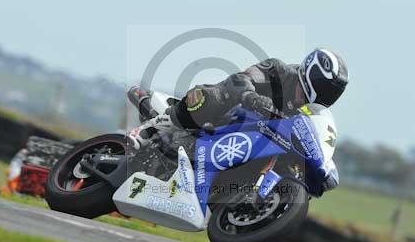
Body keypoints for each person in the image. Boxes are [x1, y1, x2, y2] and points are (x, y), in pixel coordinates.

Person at [127, 48, 349, 193]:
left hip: (257, 142)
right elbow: (243, 77)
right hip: (227, 116)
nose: (327, 96)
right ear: (313, 75)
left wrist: (323, 167)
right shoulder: (279, 71)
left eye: (333, 93)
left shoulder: (310, 113)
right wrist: (251, 96)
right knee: (209, 98)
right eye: (325, 88)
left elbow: (316, 139)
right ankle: (147, 131)